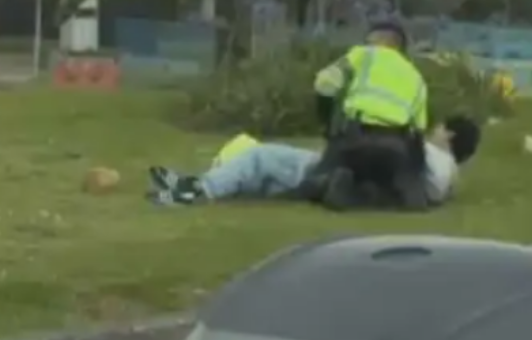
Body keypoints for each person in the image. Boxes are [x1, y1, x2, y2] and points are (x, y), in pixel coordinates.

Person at [148, 116, 480, 209]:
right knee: (264, 177)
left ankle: (199, 189)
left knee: (259, 155)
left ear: (449, 136)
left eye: (440, 127)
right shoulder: (445, 177)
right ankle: (198, 187)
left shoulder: (428, 156)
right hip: (347, 176)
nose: (433, 129)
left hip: (336, 171)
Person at [305, 21, 431, 209]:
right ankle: (403, 191)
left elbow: (325, 84)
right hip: (395, 147)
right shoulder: (416, 76)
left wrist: (326, 123)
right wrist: (415, 172)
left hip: (354, 141)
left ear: (374, 39)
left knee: (314, 180)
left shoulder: (362, 55)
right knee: (384, 183)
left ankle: (334, 181)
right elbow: (418, 132)